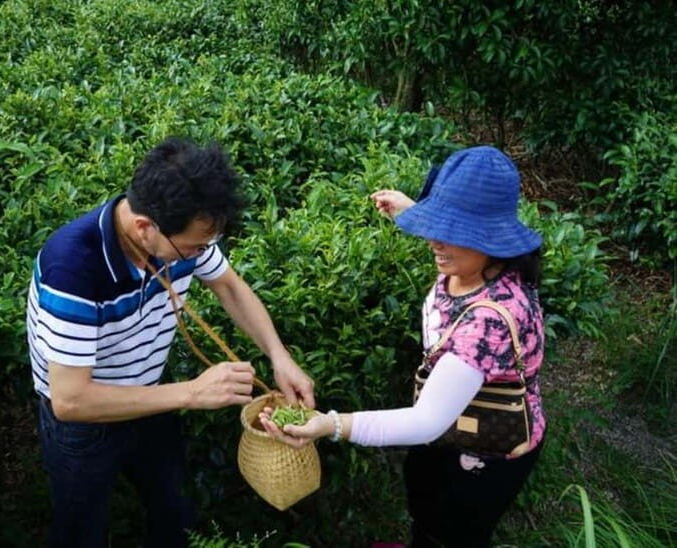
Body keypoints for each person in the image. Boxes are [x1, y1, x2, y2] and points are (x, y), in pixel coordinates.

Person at [27, 137, 315, 548]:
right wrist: (193, 392)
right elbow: (71, 401)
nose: (200, 255)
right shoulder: (72, 267)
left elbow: (229, 286)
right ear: (145, 228)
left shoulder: (180, 236)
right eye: (196, 246)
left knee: (175, 511)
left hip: (154, 397)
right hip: (85, 427)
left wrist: (279, 356)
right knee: (81, 530)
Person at [260, 146, 546, 547]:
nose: (435, 242)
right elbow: (454, 239)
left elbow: (425, 421)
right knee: (424, 500)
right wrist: (412, 211)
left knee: (452, 533)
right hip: (451, 426)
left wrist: (331, 424)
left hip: (486, 450)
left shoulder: (489, 321)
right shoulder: (478, 262)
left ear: (490, 239)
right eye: (435, 226)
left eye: (452, 232)